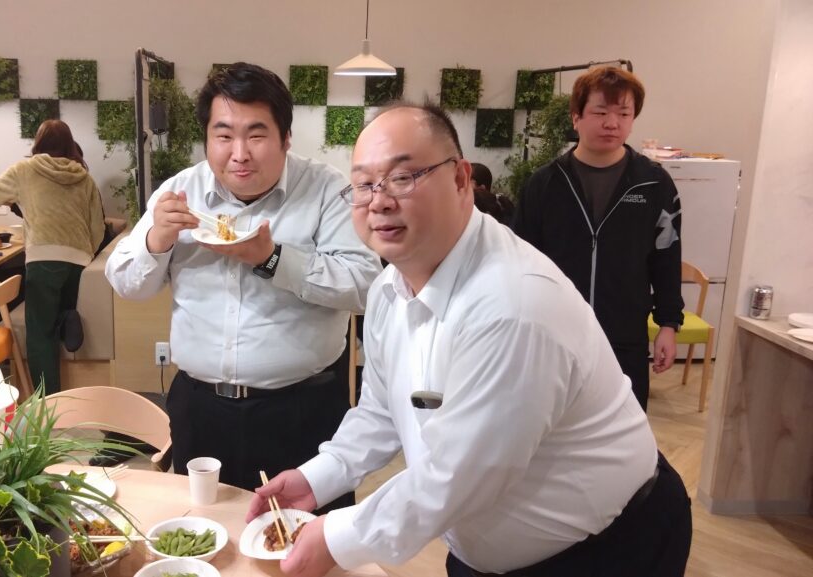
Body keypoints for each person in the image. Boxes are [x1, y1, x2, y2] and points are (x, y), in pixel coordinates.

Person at [249, 103, 692, 577]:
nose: (379, 201)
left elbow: (462, 474)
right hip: (481, 548)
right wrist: (316, 479)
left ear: (461, 179)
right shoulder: (389, 289)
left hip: (606, 550)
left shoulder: (513, 304)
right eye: (363, 184)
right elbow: (381, 411)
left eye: (402, 177)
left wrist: (339, 539)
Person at [105, 62, 381, 507]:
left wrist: (272, 259)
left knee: (305, 537)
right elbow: (127, 284)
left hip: (302, 409)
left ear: (286, 138)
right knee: (207, 533)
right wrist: (157, 239)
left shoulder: (326, 191)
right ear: (207, 138)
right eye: (224, 135)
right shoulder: (180, 191)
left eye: (256, 135)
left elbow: (365, 284)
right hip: (200, 409)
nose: (239, 153)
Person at [513, 66, 683, 412]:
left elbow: (666, 258)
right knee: (554, 425)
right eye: (601, 112)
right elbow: (520, 262)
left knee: (624, 426)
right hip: (555, 334)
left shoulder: (654, 184)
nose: (612, 123)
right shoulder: (544, 184)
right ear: (576, 117)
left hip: (625, 336)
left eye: (624, 114)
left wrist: (668, 324)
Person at [0, 120, 104, 395]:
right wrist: (85, 254)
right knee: (57, 313)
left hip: (44, 259)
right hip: (79, 261)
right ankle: (66, 318)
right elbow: (97, 226)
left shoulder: (25, 170)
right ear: (69, 144)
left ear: (38, 143)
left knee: (39, 334)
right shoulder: (84, 178)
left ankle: (47, 401)